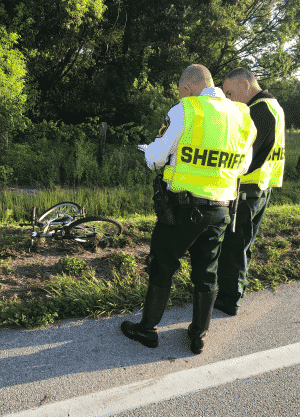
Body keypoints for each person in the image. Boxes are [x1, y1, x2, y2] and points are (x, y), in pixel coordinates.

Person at [121, 64, 257, 354]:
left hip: (182, 210)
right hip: (221, 210)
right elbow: (243, 166)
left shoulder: (187, 109)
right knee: (207, 272)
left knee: (163, 266)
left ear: (187, 88)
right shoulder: (244, 117)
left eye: (181, 92)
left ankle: (147, 330)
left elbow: (156, 159)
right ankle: (198, 335)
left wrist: (150, 151)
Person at [215, 67, 285, 316]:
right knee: (244, 242)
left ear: (244, 84)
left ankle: (228, 300)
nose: (229, 99)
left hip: (247, 188)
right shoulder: (273, 105)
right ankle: (235, 290)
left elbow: (247, 154)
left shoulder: (259, 110)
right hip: (261, 186)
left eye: (230, 92)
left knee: (234, 244)